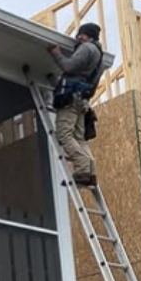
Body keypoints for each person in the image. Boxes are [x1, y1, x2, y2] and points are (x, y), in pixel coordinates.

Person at [47, 22, 104, 187]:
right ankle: (89, 173)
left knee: (64, 134)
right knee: (79, 138)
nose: (78, 37)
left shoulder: (87, 49)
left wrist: (55, 52)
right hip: (82, 100)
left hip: (71, 99)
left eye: (82, 34)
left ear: (90, 36)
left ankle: (82, 168)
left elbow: (68, 66)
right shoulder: (98, 54)